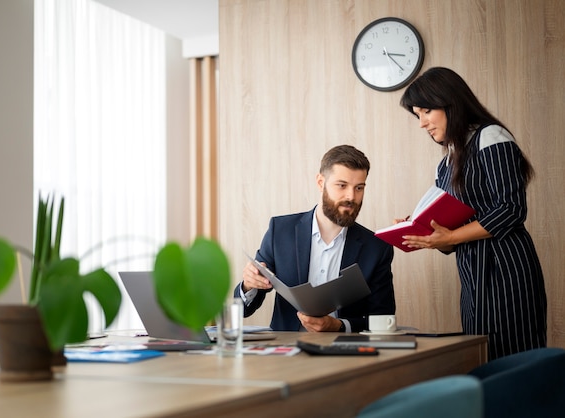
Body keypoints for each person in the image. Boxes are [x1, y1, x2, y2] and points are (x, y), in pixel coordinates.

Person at [399, 67, 547, 360]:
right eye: (417, 115)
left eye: (426, 111)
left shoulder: (491, 137)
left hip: (507, 268)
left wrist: (451, 235)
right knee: (481, 355)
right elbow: (450, 230)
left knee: (515, 358)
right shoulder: (447, 162)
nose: (422, 123)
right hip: (471, 273)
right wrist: (423, 231)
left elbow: (511, 209)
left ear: (450, 102)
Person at [234, 145, 395, 333]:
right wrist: (249, 285)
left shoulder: (377, 248)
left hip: (345, 354)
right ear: (320, 183)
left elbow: (384, 321)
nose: (351, 196)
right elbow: (243, 309)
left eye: (359, 188)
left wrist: (339, 326)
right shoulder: (280, 231)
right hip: (287, 353)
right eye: (342, 186)